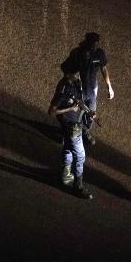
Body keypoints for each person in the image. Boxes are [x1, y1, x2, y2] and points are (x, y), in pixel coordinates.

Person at [48, 59, 93, 200]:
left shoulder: (76, 82)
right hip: (71, 127)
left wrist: (89, 111)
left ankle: (65, 176)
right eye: (75, 73)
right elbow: (52, 111)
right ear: (68, 74)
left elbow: (80, 101)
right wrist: (70, 108)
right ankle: (78, 186)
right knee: (80, 157)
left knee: (67, 149)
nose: (79, 75)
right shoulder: (63, 88)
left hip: (76, 124)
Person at [67, 32, 114, 145]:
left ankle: (85, 131)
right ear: (86, 42)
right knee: (75, 113)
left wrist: (109, 87)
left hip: (93, 89)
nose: (94, 47)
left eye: (96, 44)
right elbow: (66, 68)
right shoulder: (77, 53)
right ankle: (70, 134)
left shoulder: (99, 54)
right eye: (92, 44)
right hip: (79, 89)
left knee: (91, 113)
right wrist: (70, 84)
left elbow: (104, 69)